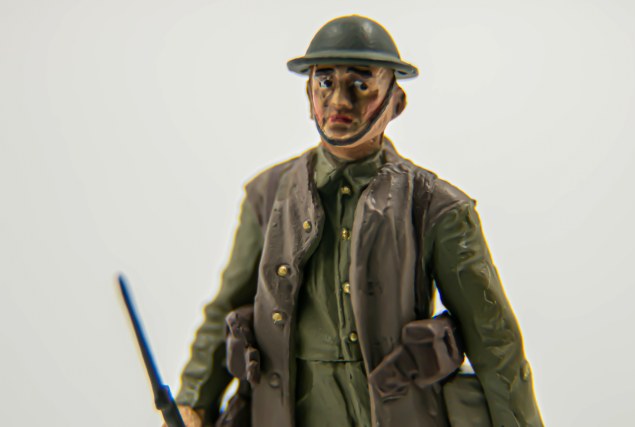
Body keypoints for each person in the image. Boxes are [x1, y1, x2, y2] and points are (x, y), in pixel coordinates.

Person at [166, 15, 544, 427]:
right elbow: (226, 306)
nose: (339, 102)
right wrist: (193, 402)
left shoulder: (436, 207)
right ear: (308, 94)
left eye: (361, 85)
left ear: (395, 103)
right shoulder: (268, 195)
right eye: (325, 82)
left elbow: (493, 340)